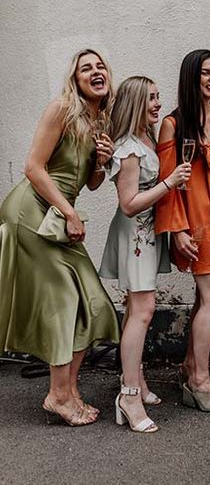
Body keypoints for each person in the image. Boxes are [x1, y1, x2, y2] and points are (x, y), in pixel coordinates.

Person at [0, 49, 120, 426]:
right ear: (76, 78)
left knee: (93, 301)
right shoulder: (61, 109)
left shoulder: (101, 119)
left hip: (57, 214)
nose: (95, 71)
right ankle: (58, 395)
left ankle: (65, 390)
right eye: (87, 68)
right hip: (32, 212)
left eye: (100, 66)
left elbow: (93, 184)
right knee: (65, 298)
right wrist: (68, 212)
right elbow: (33, 167)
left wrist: (102, 161)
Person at [100, 76, 191, 432]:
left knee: (136, 310)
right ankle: (129, 395)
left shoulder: (145, 138)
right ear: (136, 102)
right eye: (151, 98)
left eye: (158, 97)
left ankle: (138, 381)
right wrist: (169, 184)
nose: (157, 104)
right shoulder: (128, 148)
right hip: (135, 234)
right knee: (144, 309)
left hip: (145, 235)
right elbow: (128, 204)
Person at [155, 49, 210, 413]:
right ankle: (200, 380)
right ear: (191, 76)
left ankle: (188, 368)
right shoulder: (174, 123)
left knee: (205, 298)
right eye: (206, 72)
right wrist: (178, 230)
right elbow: (166, 182)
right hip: (194, 221)